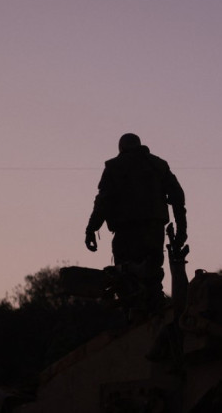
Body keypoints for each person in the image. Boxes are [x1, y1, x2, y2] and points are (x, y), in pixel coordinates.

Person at [85, 133, 187, 310]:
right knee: (152, 276)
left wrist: (91, 229)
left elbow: (103, 201)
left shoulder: (114, 167)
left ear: (121, 148)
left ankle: (134, 317)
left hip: (126, 232)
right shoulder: (159, 165)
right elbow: (178, 197)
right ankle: (153, 312)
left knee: (125, 276)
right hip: (154, 231)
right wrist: (181, 230)